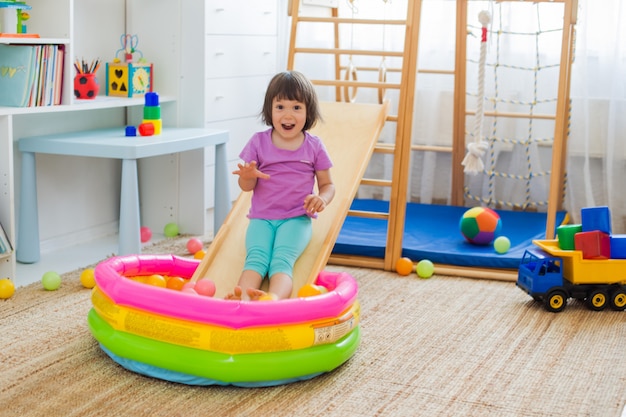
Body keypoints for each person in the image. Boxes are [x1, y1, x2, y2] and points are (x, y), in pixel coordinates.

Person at [225, 71, 335, 301]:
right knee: (256, 258)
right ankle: (242, 300)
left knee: (281, 260)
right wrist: (247, 176)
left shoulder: (314, 146)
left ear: (308, 112)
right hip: (261, 218)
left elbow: (327, 185)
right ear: (270, 110)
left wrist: (322, 199)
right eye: (280, 107)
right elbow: (246, 187)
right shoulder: (258, 142)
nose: (288, 115)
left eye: (296, 107)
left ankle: (272, 299)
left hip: (296, 218)